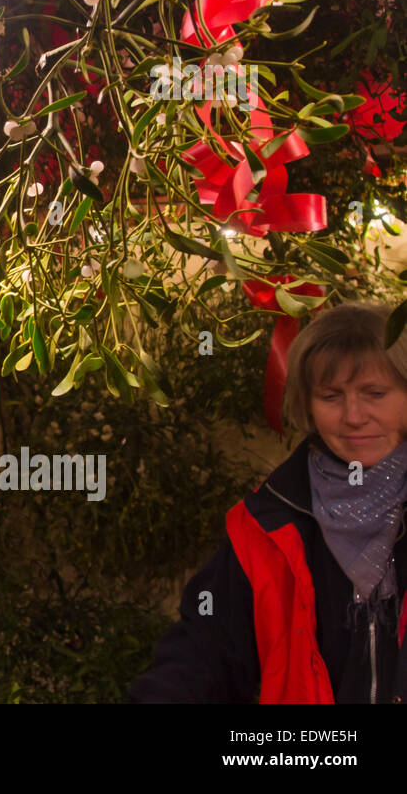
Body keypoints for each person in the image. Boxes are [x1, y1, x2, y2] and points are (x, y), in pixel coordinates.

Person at [129, 301, 407, 703]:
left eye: (375, 393)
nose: (353, 416)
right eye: (330, 396)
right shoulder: (265, 524)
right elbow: (203, 651)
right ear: (307, 405)